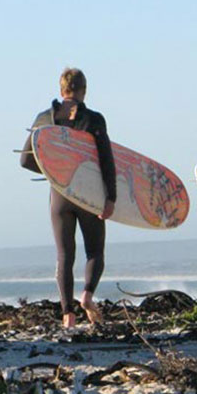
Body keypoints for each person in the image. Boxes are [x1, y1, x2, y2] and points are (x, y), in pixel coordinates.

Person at [21, 68, 116, 328]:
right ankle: (86, 296)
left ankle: (68, 316)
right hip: (88, 195)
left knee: (65, 256)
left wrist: (54, 173)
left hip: (59, 196)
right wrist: (111, 198)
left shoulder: (44, 119)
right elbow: (107, 161)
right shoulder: (94, 120)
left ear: (62, 89)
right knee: (95, 251)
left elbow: (26, 159)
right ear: (84, 90)